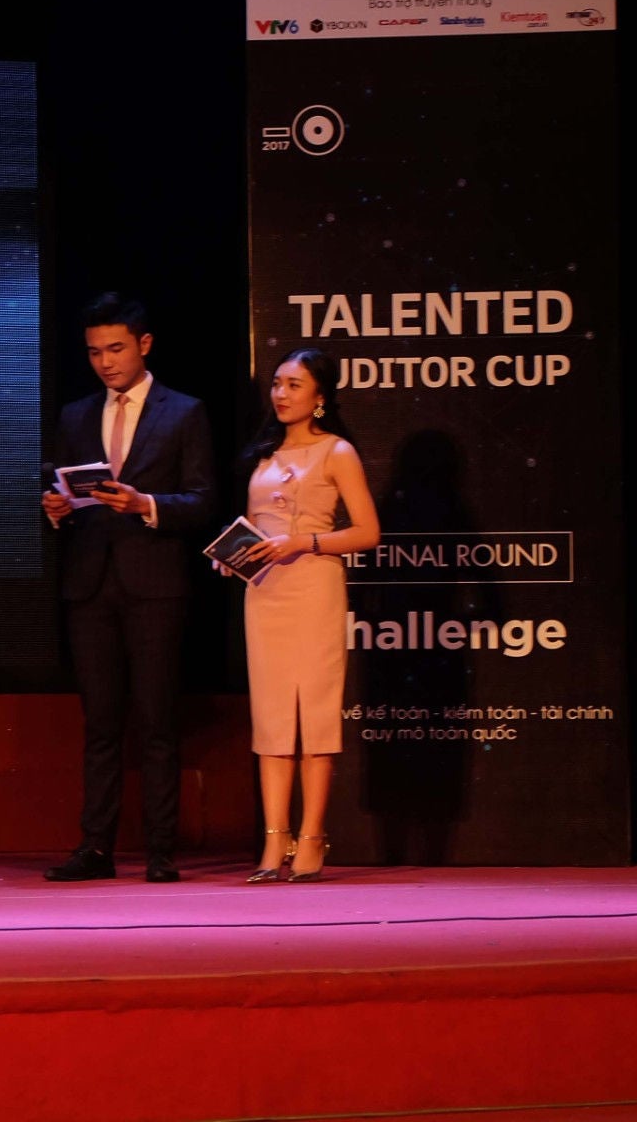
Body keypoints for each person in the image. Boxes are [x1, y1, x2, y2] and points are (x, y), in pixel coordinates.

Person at [41, 293, 215, 884]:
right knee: (100, 723)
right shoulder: (75, 415)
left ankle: (162, 850)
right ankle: (96, 847)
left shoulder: (184, 412)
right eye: (94, 352)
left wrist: (146, 504)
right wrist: (57, 508)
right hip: (91, 584)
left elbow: (203, 501)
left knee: (158, 720)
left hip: (155, 583)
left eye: (115, 349)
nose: (105, 362)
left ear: (144, 344)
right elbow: (67, 488)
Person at [228, 347, 379, 884]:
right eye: (277, 384)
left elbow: (367, 532)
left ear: (320, 397)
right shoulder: (263, 456)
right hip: (264, 593)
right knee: (271, 718)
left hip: (314, 586)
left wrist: (304, 542)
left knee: (313, 715)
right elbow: (255, 527)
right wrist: (236, 559)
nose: (281, 394)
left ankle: (312, 839)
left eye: (294, 385)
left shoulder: (337, 452)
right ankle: (274, 844)